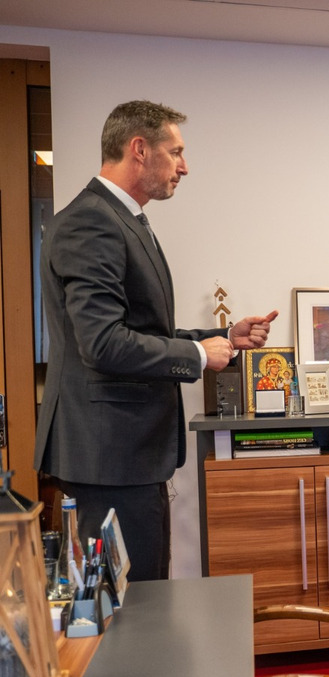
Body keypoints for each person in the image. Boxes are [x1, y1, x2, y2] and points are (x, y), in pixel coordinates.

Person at [34, 100, 277, 582]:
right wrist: (196, 354)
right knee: (134, 605)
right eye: (176, 152)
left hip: (126, 455)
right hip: (110, 455)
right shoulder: (93, 221)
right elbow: (103, 343)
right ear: (140, 149)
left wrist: (223, 337)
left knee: (147, 596)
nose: (184, 167)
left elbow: (141, 333)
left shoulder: (122, 218)